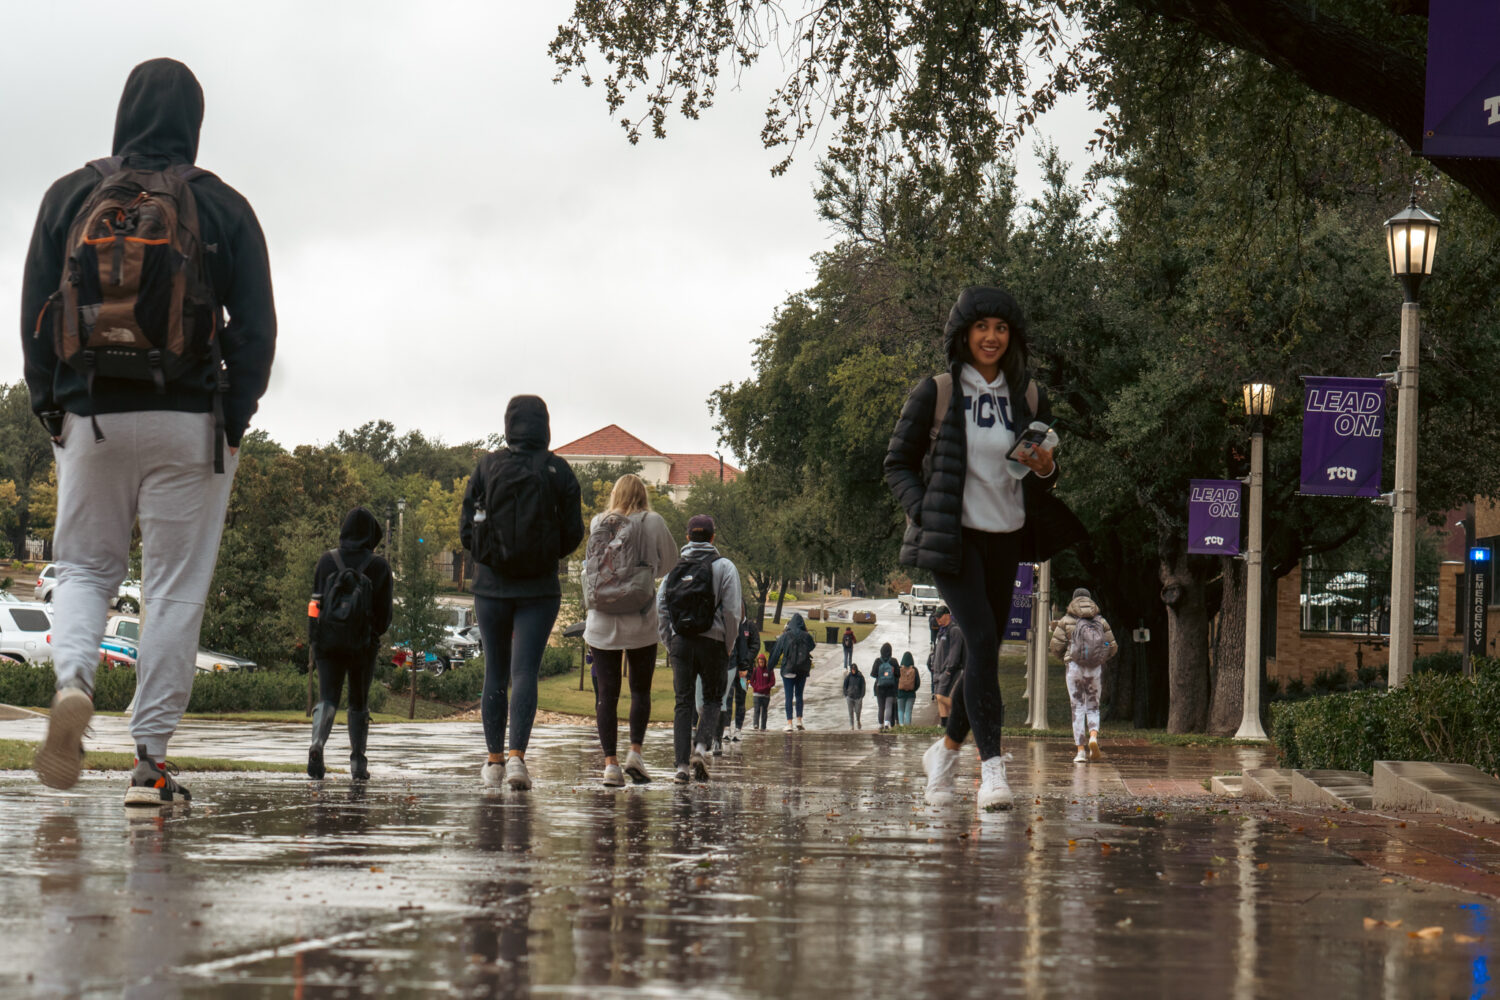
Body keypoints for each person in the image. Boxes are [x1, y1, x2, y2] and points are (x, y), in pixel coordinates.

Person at [25, 59, 277, 804]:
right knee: (173, 589)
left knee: (83, 569)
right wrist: (234, 421)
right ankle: (148, 763)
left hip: (92, 415)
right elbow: (257, 331)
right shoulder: (222, 206)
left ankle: (74, 680)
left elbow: (34, 316)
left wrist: (54, 409)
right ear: (194, 122)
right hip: (188, 420)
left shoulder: (71, 196)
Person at [885, 285, 1085, 810]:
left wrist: (1047, 469)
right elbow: (897, 464)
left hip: (1007, 537)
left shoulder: (1030, 396)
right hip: (953, 537)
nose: (991, 337)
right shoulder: (938, 392)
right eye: (981, 328)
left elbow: (1033, 474)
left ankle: (946, 752)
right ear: (963, 335)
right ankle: (991, 771)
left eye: (1000, 328)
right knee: (978, 638)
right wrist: (923, 510)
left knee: (984, 652)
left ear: (1011, 336)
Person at [461, 395, 584, 791]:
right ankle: (518, 759)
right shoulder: (558, 471)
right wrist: (545, 555)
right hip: (538, 588)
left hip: (491, 586)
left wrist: (489, 556)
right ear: (545, 425)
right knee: (525, 670)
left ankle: (494, 760)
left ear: (508, 424)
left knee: (494, 671)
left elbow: (468, 528)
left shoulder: (487, 466)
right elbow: (573, 533)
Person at [582, 473, 679, 786]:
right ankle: (635, 752)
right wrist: (646, 571)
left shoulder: (599, 519)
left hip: (601, 621)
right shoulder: (653, 521)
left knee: (606, 695)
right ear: (642, 494)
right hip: (640, 619)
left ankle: (610, 764)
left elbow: (591, 565)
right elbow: (670, 563)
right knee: (640, 689)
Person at [306, 508, 394, 781]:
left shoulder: (326, 561)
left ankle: (317, 744)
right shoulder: (379, 566)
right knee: (358, 702)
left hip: (327, 644)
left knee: (327, 697)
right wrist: (372, 635)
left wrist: (315, 637)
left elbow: (314, 604)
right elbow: (385, 615)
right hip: (362, 646)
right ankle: (358, 763)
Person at [658, 515, 742, 782]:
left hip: (681, 641)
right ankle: (701, 747)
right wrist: (728, 644)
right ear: (713, 537)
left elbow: (661, 609)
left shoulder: (673, 569)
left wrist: (670, 643)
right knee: (713, 699)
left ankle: (681, 767)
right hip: (714, 641)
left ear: (687, 538)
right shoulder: (725, 567)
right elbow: (732, 612)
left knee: (682, 703)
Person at [1048, 587, 1118, 764]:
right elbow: (1112, 646)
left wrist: (1066, 658)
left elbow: (1055, 647)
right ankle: (1093, 737)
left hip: (1074, 668)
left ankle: (1080, 751)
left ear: (1073, 600)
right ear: (1090, 600)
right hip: (1094, 668)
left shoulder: (1066, 620)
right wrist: (1101, 658)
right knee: (1093, 706)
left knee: (1077, 707)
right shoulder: (1100, 621)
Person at [766, 612, 815, 731]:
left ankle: (789, 723)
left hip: (788, 669)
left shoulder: (785, 636)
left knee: (788, 696)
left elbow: (776, 652)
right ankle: (799, 720)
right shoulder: (806, 635)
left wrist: (769, 668)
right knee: (799, 695)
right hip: (802, 670)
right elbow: (812, 646)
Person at [931, 615, 966, 729]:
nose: (938, 621)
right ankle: (944, 723)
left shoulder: (954, 630)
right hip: (939, 669)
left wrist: (949, 669)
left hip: (949, 670)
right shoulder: (942, 632)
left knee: (941, 696)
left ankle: (963, 712)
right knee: (939, 696)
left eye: (939, 618)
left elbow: (955, 652)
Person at [870, 642, 901, 730]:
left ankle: (880, 724)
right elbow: (898, 674)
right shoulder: (894, 661)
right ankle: (887, 723)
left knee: (881, 707)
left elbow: (873, 674)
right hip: (891, 688)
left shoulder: (878, 661)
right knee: (888, 706)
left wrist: (881, 676)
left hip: (879, 688)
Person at [748, 652, 776, 730]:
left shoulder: (769, 670)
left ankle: (763, 726)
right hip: (757, 695)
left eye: (762, 662)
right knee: (756, 710)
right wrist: (756, 687)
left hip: (766, 695)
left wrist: (766, 687)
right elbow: (750, 681)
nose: (761, 664)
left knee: (764, 711)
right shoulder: (755, 670)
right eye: (760, 662)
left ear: (765, 662)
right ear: (758, 662)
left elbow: (772, 682)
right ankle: (755, 724)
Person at [896, 650, 922, 725]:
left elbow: (896, 680)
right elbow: (918, 683)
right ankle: (907, 728)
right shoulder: (914, 669)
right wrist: (913, 689)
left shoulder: (899, 669)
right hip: (911, 694)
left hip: (900, 694)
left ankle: (901, 725)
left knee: (900, 710)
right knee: (908, 711)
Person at [842, 659, 867, 729]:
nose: (853, 671)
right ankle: (851, 725)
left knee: (858, 711)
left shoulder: (860, 676)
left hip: (858, 697)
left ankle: (858, 721)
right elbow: (844, 686)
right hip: (850, 697)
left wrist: (862, 695)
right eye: (852, 669)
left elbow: (863, 686)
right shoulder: (848, 677)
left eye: (854, 669)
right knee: (850, 712)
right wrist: (846, 694)